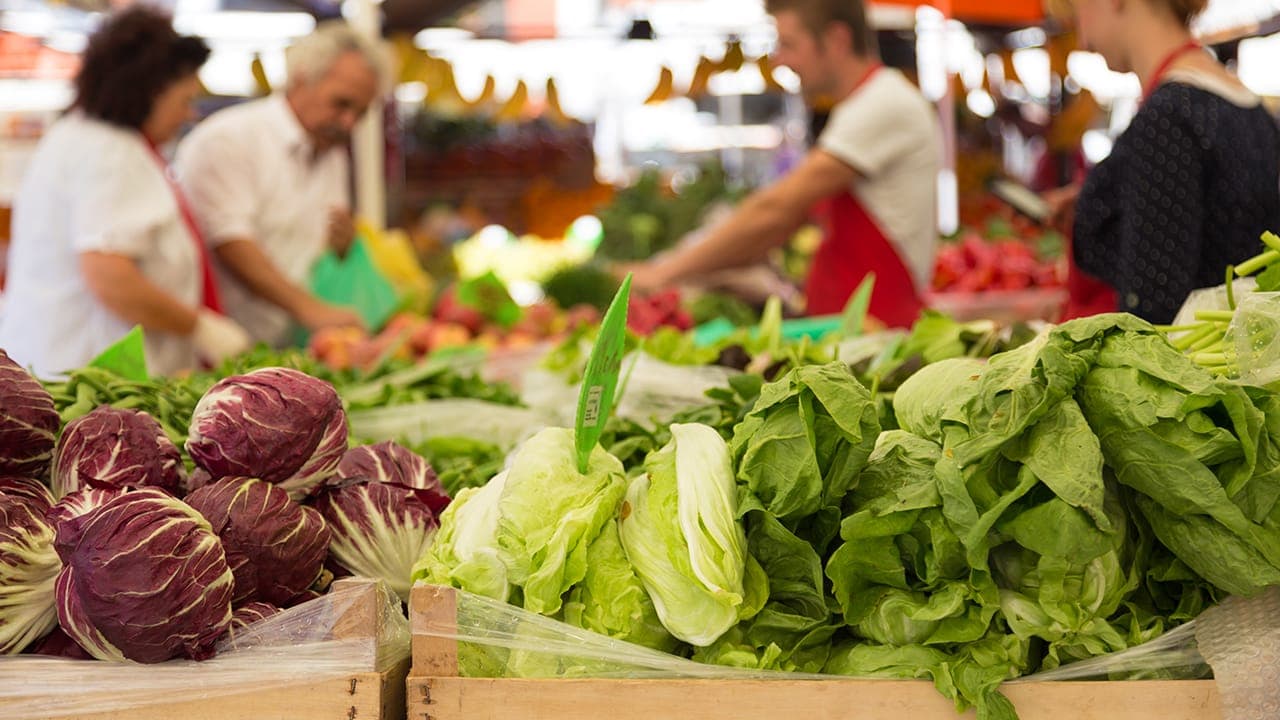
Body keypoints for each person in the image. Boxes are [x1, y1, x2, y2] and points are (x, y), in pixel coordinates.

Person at [628, 0, 941, 327]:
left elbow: (777, 209)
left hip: (877, 335)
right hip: (846, 332)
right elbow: (780, 223)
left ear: (836, 40)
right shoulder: (860, 106)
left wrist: (662, 272)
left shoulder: (882, 103)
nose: (780, 61)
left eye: (789, 44)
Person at [0, 7, 250, 378]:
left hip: (66, 363)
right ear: (149, 91)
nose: (188, 114)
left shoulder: (83, 135)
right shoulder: (109, 151)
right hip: (89, 374)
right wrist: (198, 326)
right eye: (184, 100)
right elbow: (109, 276)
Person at [1051, 0, 1280, 324]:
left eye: (1078, 11)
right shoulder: (1251, 108)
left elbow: (1150, 316)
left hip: (1187, 367)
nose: (1083, 41)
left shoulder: (1168, 118)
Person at [175, 21, 384, 347]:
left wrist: (341, 247)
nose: (349, 122)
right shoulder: (231, 140)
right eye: (341, 104)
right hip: (223, 350)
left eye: (361, 112)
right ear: (302, 79)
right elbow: (229, 242)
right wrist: (311, 310)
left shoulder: (332, 154)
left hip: (292, 348)